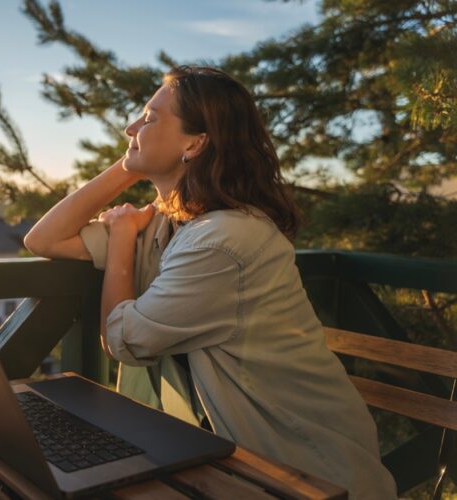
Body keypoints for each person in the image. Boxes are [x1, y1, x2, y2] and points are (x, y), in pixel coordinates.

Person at [24, 66, 397, 499]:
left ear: (196, 142)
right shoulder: (168, 224)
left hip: (306, 472)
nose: (131, 127)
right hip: (227, 460)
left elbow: (124, 340)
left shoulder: (224, 241)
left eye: (149, 118)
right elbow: (44, 239)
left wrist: (122, 239)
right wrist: (132, 163)